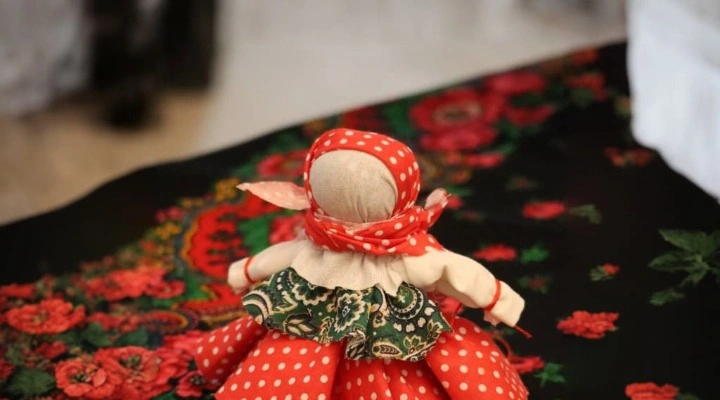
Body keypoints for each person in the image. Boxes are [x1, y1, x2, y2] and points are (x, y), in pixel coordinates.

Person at [195, 128, 528, 399]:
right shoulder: (402, 252)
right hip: (350, 331)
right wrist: (497, 299)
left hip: (316, 324)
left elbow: (281, 256)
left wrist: (244, 271)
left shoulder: (328, 244)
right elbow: (453, 271)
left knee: (292, 363)